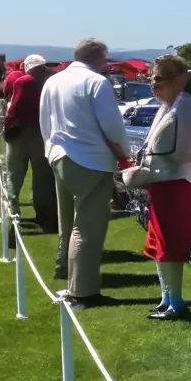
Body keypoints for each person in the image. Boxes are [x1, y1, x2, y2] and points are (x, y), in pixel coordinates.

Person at [38, 38, 131, 309]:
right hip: (91, 160)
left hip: (58, 155)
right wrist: (124, 154)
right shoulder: (96, 82)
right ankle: (84, 291)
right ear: (98, 57)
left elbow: (44, 120)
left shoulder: (53, 81)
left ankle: (65, 271)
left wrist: (50, 149)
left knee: (67, 222)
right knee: (88, 228)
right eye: (105, 57)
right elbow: (112, 125)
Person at [131, 54, 191, 320]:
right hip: (162, 183)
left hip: (178, 183)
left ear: (179, 79)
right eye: (151, 79)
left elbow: (186, 151)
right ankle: (166, 297)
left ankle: (176, 301)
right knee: (159, 243)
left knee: (171, 244)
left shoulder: (186, 106)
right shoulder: (167, 106)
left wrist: (151, 163)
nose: (154, 85)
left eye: (160, 79)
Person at [4, 54, 58, 231]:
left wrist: (8, 128)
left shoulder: (23, 82)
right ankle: (45, 218)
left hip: (20, 134)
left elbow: (14, 108)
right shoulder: (50, 82)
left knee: (14, 175)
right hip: (41, 134)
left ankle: (12, 216)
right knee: (42, 179)